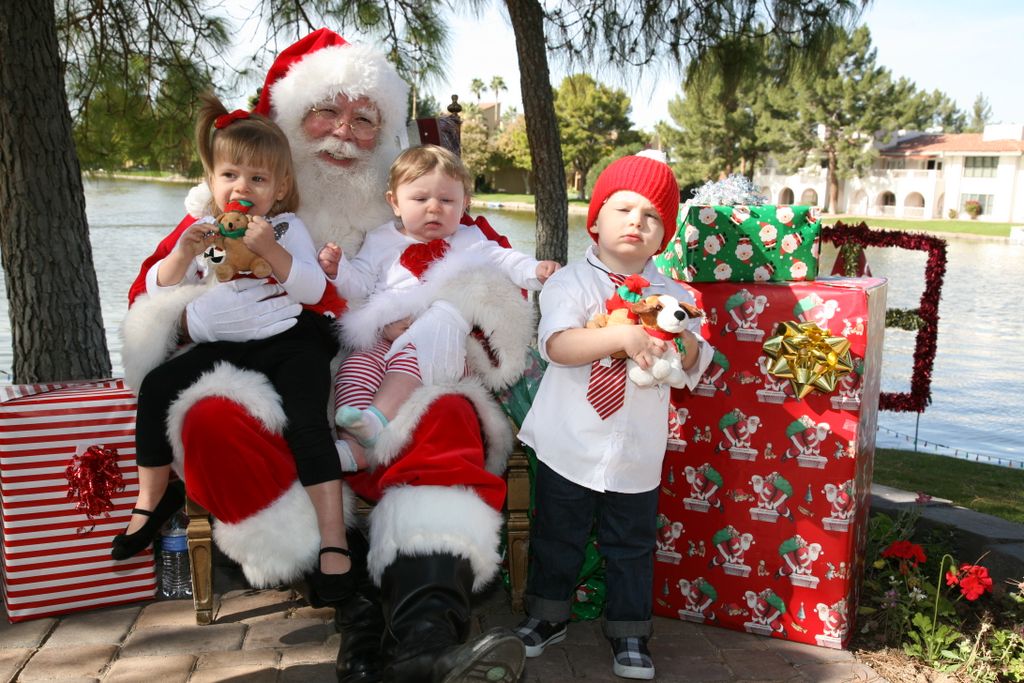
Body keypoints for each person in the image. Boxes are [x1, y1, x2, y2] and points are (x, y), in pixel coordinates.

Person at [121, 28, 530, 683]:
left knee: (451, 415)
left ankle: (425, 637)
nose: (343, 132)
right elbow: (152, 297)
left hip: (392, 381)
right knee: (206, 423)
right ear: (287, 123)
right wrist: (194, 314)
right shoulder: (229, 205)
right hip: (273, 382)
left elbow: (500, 286)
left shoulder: (420, 199)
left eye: (365, 119)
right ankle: (356, 602)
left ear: (386, 132)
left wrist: (437, 313)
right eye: (324, 111)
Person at [114, 91, 357, 608]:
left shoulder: (287, 227)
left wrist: (269, 246)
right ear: (212, 182)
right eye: (230, 176)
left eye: (258, 179)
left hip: (289, 340)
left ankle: (333, 535)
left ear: (280, 187)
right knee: (158, 387)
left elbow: (313, 290)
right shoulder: (206, 234)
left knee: (308, 421)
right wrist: (183, 253)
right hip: (230, 340)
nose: (241, 188)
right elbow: (158, 294)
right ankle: (150, 500)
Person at [514, 152, 715, 680]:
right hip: (570, 441)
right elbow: (559, 343)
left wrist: (686, 346)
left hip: (635, 450)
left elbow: (698, 358)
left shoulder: (673, 295)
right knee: (559, 534)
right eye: (623, 208)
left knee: (632, 544)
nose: (636, 222)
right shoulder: (571, 284)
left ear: (664, 237)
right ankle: (546, 616)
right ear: (595, 220)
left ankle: (630, 631)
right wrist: (623, 336)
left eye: (651, 217)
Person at [325, 144, 559, 466]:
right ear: (394, 202)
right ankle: (356, 444)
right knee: (355, 368)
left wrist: (534, 270)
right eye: (420, 199)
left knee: (408, 360)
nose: (434, 208)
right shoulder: (381, 240)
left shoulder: (469, 238)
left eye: (447, 200)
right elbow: (361, 283)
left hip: (441, 344)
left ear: (464, 204)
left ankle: (377, 420)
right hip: (386, 334)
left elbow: (504, 259)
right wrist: (340, 270)